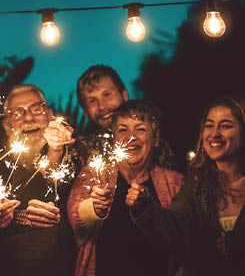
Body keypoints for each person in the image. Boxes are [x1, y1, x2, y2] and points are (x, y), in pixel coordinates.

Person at [128, 97, 245, 276]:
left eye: (225, 125)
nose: (214, 134)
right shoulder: (197, 186)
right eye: (209, 125)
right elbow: (173, 228)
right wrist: (145, 206)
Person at [67, 100, 184, 276]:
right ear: (114, 139)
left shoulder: (176, 182)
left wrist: (146, 208)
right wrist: (93, 209)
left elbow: (181, 237)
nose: (131, 136)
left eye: (141, 129)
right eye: (123, 130)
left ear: (156, 138)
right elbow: (77, 222)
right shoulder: (94, 175)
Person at [0, 84, 76, 276]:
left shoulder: (74, 154)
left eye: (36, 109)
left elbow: (57, 173)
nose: (28, 118)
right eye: (18, 113)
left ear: (50, 114)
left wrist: (56, 148)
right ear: (7, 125)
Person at [75, 65, 175, 168]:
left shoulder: (155, 146)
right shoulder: (80, 149)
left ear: (125, 95)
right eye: (92, 101)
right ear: (85, 111)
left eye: (107, 94)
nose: (102, 106)